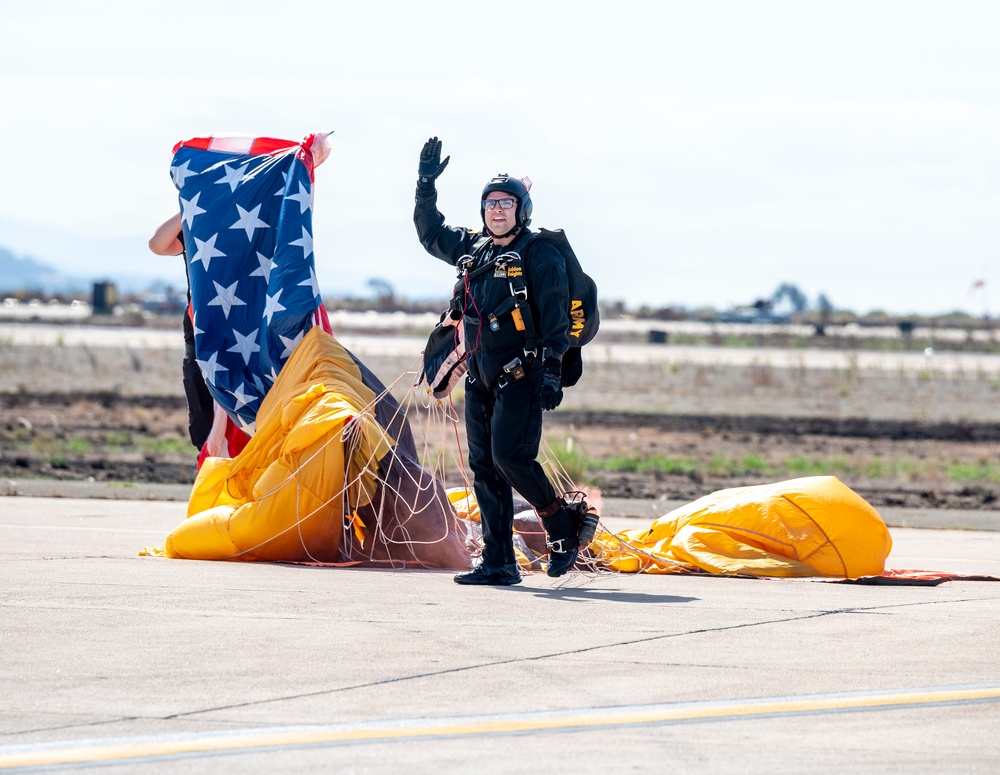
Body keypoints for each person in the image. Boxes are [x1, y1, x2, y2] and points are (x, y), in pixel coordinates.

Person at [413, 136, 591, 585]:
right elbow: (431, 234)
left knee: (511, 458)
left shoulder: (540, 254)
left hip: (524, 374)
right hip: (480, 376)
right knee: (485, 467)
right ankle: (498, 561)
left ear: (522, 209)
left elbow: (555, 318)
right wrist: (425, 186)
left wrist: (551, 372)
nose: (497, 210)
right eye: (490, 203)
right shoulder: (475, 250)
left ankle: (561, 523)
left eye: (506, 203)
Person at [148, 212, 215, 450]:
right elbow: (157, 244)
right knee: (205, 434)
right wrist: (192, 203)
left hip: (246, 345)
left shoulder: (249, 218)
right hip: (199, 346)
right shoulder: (199, 220)